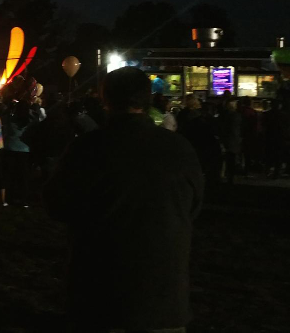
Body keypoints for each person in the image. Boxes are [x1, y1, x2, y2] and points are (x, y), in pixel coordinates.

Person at [45, 67, 204, 333]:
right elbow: (194, 206)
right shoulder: (179, 148)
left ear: (105, 99)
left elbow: (56, 204)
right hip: (164, 296)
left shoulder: (88, 148)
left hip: (101, 293)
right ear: (148, 98)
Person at [3, 101, 32, 207]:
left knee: (10, 175)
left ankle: (9, 197)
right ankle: (23, 199)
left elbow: (4, 119)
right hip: (25, 150)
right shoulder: (29, 121)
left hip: (10, 148)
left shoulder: (11, 120)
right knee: (23, 176)